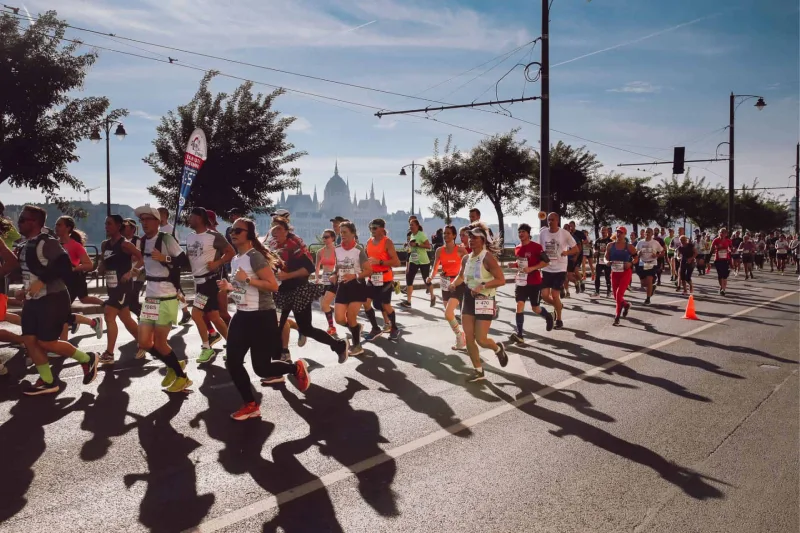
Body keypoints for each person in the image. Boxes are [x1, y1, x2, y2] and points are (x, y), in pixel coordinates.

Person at [218, 217, 310, 421]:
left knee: (261, 368)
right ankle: (250, 405)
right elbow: (243, 287)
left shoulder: (255, 257)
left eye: (238, 231)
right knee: (233, 362)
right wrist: (230, 287)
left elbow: (273, 286)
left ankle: (295, 368)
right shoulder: (235, 259)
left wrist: (247, 279)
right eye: (231, 230)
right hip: (242, 315)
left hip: (261, 316)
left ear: (248, 234)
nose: (233, 233)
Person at [15, 205, 99, 395]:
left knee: (47, 343)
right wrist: (24, 290)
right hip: (32, 300)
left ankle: (87, 359)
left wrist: (42, 281)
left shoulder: (48, 242)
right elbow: (30, 273)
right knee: (29, 340)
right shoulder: (26, 243)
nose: (18, 223)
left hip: (52, 298)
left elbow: (64, 265)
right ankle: (48, 381)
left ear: (34, 222)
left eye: (22, 219)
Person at [271, 216, 348, 363]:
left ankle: (338, 345)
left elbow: (309, 269)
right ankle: (279, 361)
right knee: (277, 326)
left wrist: (287, 276)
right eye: (273, 228)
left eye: (278, 229)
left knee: (306, 329)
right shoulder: (274, 244)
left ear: (287, 231)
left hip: (299, 291)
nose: (274, 232)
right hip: (282, 293)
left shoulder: (295, 244)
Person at [134, 205, 193, 392]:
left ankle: (182, 377)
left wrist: (165, 258)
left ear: (158, 222)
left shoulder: (166, 238)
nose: (144, 223)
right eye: (142, 220)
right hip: (150, 298)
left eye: (148, 219)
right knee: (143, 343)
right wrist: (139, 270)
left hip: (166, 297)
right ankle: (173, 364)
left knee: (160, 343)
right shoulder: (142, 241)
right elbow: (150, 266)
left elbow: (185, 262)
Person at [452, 224, 508, 382]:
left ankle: (498, 348)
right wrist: (453, 284)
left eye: (475, 237)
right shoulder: (466, 258)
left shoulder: (487, 257)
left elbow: (501, 280)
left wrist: (482, 286)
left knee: (481, 340)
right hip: (469, 299)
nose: (471, 240)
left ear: (483, 240)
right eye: (469, 237)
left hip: (485, 299)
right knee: (468, 338)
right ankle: (478, 371)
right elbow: (461, 276)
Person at [186, 207, 235, 364]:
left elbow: (231, 252)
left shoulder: (214, 236)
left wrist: (217, 263)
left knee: (195, 314)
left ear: (200, 218)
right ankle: (233, 346)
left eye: (191, 216)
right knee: (214, 316)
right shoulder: (190, 237)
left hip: (210, 281)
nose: (188, 218)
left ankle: (207, 348)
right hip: (198, 281)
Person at [97, 215, 144, 365]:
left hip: (123, 286)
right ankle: (144, 343)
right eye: (105, 223)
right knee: (125, 318)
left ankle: (109, 353)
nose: (106, 226)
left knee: (109, 316)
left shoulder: (125, 244)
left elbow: (141, 258)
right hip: (111, 286)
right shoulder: (105, 244)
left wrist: (131, 272)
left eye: (109, 223)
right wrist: (100, 268)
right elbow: (104, 262)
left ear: (118, 226)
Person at [54, 216, 104, 339]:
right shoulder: (53, 244)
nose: (56, 227)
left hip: (73, 281)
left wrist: (73, 268)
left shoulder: (75, 245)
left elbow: (89, 264)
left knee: (61, 311)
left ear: (68, 228)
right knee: (61, 310)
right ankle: (92, 322)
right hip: (58, 281)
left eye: (59, 225)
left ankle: (63, 343)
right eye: (56, 225)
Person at [330, 221, 372, 356]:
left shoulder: (359, 250)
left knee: (351, 316)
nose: (342, 235)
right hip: (343, 286)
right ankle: (356, 328)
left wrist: (355, 276)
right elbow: (337, 267)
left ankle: (357, 345)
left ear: (353, 233)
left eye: (345, 232)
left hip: (357, 286)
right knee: (339, 319)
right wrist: (334, 274)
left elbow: (368, 270)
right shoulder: (337, 249)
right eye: (341, 232)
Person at [508, 223, 554, 344]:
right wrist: (514, 265)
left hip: (534, 282)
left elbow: (546, 262)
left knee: (535, 308)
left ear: (529, 234)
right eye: (519, 232)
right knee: (519, 305)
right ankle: (520, 334)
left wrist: (532, 268)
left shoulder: (537, 247)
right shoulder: (517, 248)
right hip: (521, 282)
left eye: (523, 231)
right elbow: (521, 264)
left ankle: (548, 316)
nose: (521, 234)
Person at [428, 224, 468, 350]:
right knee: (449, 315)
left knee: (448, 312)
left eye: (449, 233)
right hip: (445, 283)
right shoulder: (439, 250)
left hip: (458, 283)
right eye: (444, 233)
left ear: (454, 235)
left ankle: (461, 337)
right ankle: (460, 335)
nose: (446, 235)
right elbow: (435, 267)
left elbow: (468, 266)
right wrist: (430, 277)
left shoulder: (461, 250)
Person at [363, 218, 402, 342]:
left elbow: (396, 262)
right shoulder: (368, 242)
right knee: (366, 303)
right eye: (370, 228)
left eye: (374, 228)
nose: (372, 230)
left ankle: (394, 327)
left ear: (382, 229)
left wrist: (380, 262)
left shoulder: (387, 242)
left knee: (386, 305)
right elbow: (364, 259)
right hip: (372, 278)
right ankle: (375, 328)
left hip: (385, 278)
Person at [539, 213, 579, 330]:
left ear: (557, 221)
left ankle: (559, 320)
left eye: (552, 220)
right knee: (545, 295)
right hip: (546, 267)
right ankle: (559, 306)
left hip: (560, 268)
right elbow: (540, 249)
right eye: (548, 220)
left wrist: (567, 253)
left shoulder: (564, 233)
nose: (550, 222)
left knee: (555, 294)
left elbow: (576, 249)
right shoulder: (543, 233)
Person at [605, 226, 638, 326]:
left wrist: (631, 264)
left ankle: (617, 317)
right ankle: (626, 304)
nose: (619, 234)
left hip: (625, 273)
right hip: (614, 273)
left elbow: (636, 258)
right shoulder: (610, 245)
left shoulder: (629, 247)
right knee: (616, 296)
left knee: (619, 295)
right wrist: (607, 262)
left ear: (625, 234)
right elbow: (605, 257)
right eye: (618, 232)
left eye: (621, 232)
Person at [400, 218, 434, 308]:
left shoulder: (421, 235)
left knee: (426, 280)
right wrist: (407, 246)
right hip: (413, 260)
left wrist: (418, 245)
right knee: (409, 279)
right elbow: (412, 248)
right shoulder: (411, 235)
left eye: (412, 225)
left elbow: (429, 246)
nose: (410, 226)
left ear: (417, 226)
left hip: (423, 261)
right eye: (410, 225)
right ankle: (408, 301)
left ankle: (432, 296)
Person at [315, 228, 338, 336]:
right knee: (323, 306)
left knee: (325, 304)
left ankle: (331, 326)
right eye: (323, 237)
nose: (324, 239)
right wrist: (316, 278)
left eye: (326, 237)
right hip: (324, 280)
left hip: (334, 280)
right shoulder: (320, 252)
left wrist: (335, 275)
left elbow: (339, 265)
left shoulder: (337, 250)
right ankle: (334, 312)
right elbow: (317, 266)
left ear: (333, 238)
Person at [122, 219, 145, 318]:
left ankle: (146, 317)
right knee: (131, 301)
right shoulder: (121, 240)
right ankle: (147, 316)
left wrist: (132, 269)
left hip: (138, 274)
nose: (123, 228)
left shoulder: (138, 240)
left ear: (132, 229)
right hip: (127, 275)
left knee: (132, 300)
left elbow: (140, 257)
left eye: (125, 226)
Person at [635, 228, 664, 305]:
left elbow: (663, 251)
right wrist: (638, 253)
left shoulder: (655, 242)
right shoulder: (640, 242)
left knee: (649, 280)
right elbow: (635, 252)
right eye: (646, 232)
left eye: (649, 232)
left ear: (652, 234)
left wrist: (657, 255)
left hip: (651, 263)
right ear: (644, 233)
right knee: (643, 284)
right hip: (642, 263)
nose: (647, 233)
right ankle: (652, 287)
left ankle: (648, 299)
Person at [710, 228, 733, 295]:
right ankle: (722, 287)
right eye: (721, 232)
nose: (722, 234)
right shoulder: (716, 240)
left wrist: (730, 250)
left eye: (724, 233)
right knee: (720, 275)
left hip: (726, 259)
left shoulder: (728, 240)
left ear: (726, 234)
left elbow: (731, 248)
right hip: (718, 259)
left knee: (725, 275)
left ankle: (723, 289)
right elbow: (711, 249)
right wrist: (716, 248)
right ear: (719, 233)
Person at [592, 226, 612, 297]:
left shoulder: (610, 241)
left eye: (604, 230)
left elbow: (612, 251)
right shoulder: (598, 241)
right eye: (602, 231)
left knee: (607, 277)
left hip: (606, 262)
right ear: (600, 232)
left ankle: (609, 291)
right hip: (599, 262)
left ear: (607, 231)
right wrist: (595, 252)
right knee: (597, 277)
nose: (603, 232)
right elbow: (594, 249)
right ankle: (597, 292)